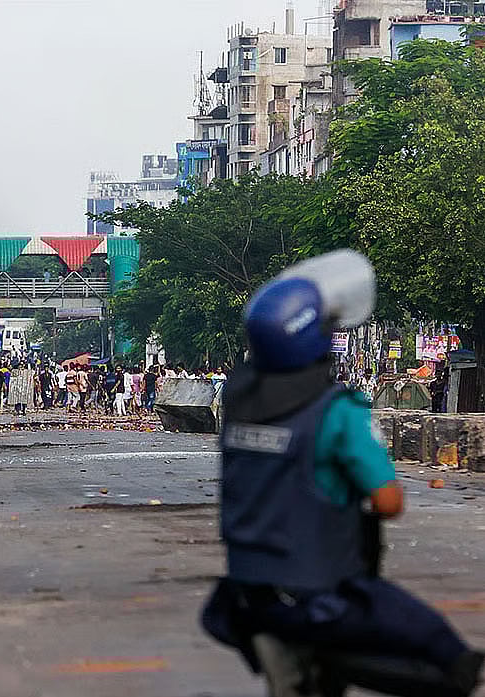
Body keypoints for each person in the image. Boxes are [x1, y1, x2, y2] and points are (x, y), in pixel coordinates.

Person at [202, 250, 482, 697]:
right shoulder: (336, 412)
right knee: (451, 658)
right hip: (320, 592)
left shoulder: (238, 402)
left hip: (248, 596)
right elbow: (389, 502)